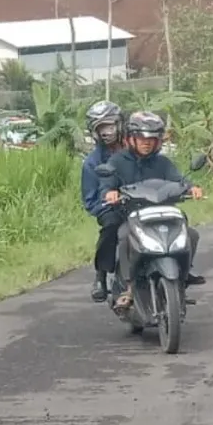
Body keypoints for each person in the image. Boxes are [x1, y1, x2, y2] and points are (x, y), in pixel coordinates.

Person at [100, 111, 205, 310]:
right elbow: (107, 184)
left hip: (163, 214)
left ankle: (182, 277)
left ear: (158, 141)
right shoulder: (118, 162)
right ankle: (129, 288)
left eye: (152, 139)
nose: (146, 143)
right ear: (131, 138)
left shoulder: (163, 163)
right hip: (134, 217)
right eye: (141, 138)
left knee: (191, 234)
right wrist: (110, 193)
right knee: (124, 237)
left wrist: (192, 188)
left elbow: (179, 180)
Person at [81, 100, 127, 303]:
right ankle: (101, 276)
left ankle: (181, 272)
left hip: (145, 202)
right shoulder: (92, 162)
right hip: (112, 209)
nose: (106, 132)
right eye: (101, 128)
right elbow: (90, 200)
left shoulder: (138, 148)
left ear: (119, 124)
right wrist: (108, 202)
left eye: (109, 125)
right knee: (110, 226)